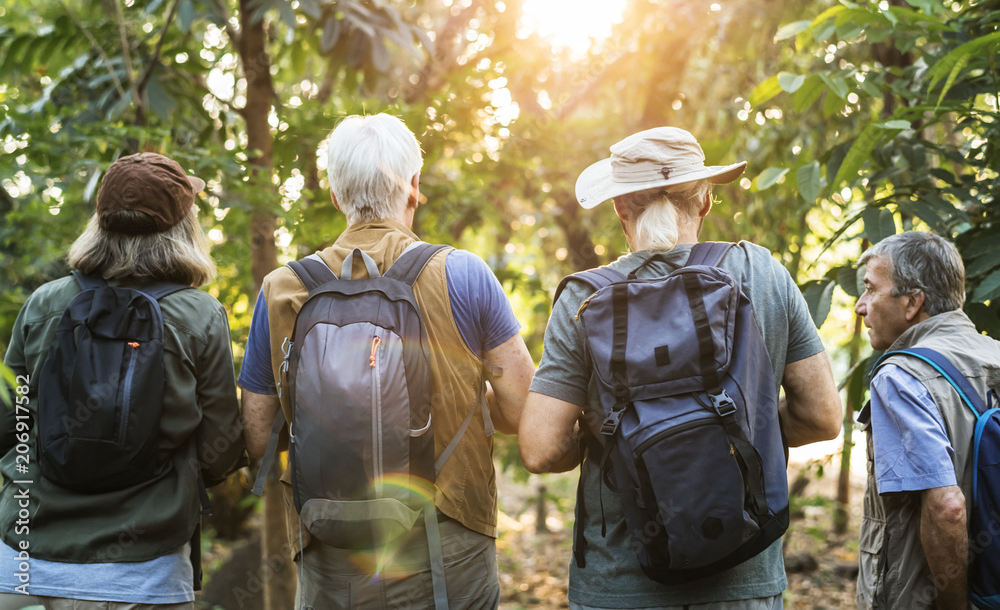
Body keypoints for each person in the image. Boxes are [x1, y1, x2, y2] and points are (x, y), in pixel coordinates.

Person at [519, 126, 842, 609]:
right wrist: (737, 428)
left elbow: (541, 450)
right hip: (744, 576)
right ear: (706, 200)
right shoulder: (762, 274)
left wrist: (616, 435)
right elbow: (822, 417)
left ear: (619, 208)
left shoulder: (585, 300)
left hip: (622, 585)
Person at [239, 112, 535, 608]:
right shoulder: (462, 274)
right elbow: (520, 409)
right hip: (447, 551)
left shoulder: (282, 289)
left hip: (330, 548)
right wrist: (461, 392)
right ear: (414, 186)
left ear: (335, 195)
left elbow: (255, 433)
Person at [0, 153, 247, 609]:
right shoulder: (199, 315)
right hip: (142, 576)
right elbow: (222, 450)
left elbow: (10, 423)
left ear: (98, 222)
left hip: (24, 567)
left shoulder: (44, 304)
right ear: (184, 228)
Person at [854, 231, 1000, 610]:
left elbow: (947, 508)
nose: (860, 306)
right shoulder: (995, 354)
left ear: (913, 302)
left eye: (870, 289)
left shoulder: (901, 377)